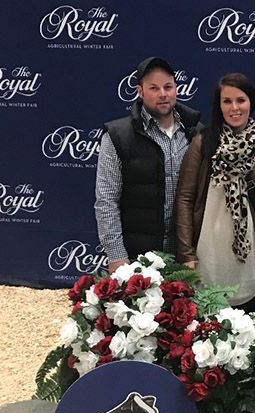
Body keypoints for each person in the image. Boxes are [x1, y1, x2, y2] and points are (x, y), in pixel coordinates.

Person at [175, 73, 255, 313]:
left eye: (241, 100)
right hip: (207, 255)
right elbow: (185, 198)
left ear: (251, 102)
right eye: (227, 101)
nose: (234, 108)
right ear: (219, 105)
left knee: (244, 331)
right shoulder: (203, 142)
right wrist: (186, 253)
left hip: (248, 256)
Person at [95, 57, 203, 274]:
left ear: (176, 89)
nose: (162, 94)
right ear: (140, 92)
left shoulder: (198, 133)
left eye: (168, 87)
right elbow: (106, 200)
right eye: (154, 88)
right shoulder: (117, 136)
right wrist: (116, 255)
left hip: (187, 259)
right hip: (137, 260)